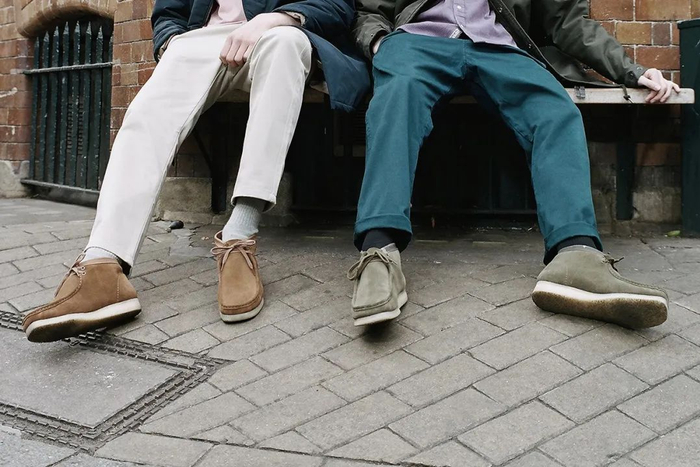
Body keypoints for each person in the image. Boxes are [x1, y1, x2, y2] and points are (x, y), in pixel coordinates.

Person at [22, 0, 369, 342]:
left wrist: (270, 20)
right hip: (204, 41)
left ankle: (239, 235)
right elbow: (168, 13)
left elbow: (339, 6)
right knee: (147, 113)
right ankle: (103, 262)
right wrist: (172, 44)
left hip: (279, 35)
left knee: (285, 43)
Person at [347, 0, 677, 328]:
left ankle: (576, 254)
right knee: (395, 101)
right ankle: (379, 250)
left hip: (498, 47)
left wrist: (631, 71)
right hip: (417, 43)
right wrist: (378, 42)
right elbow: (371, 11)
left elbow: (567, 21)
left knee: (556, 111)